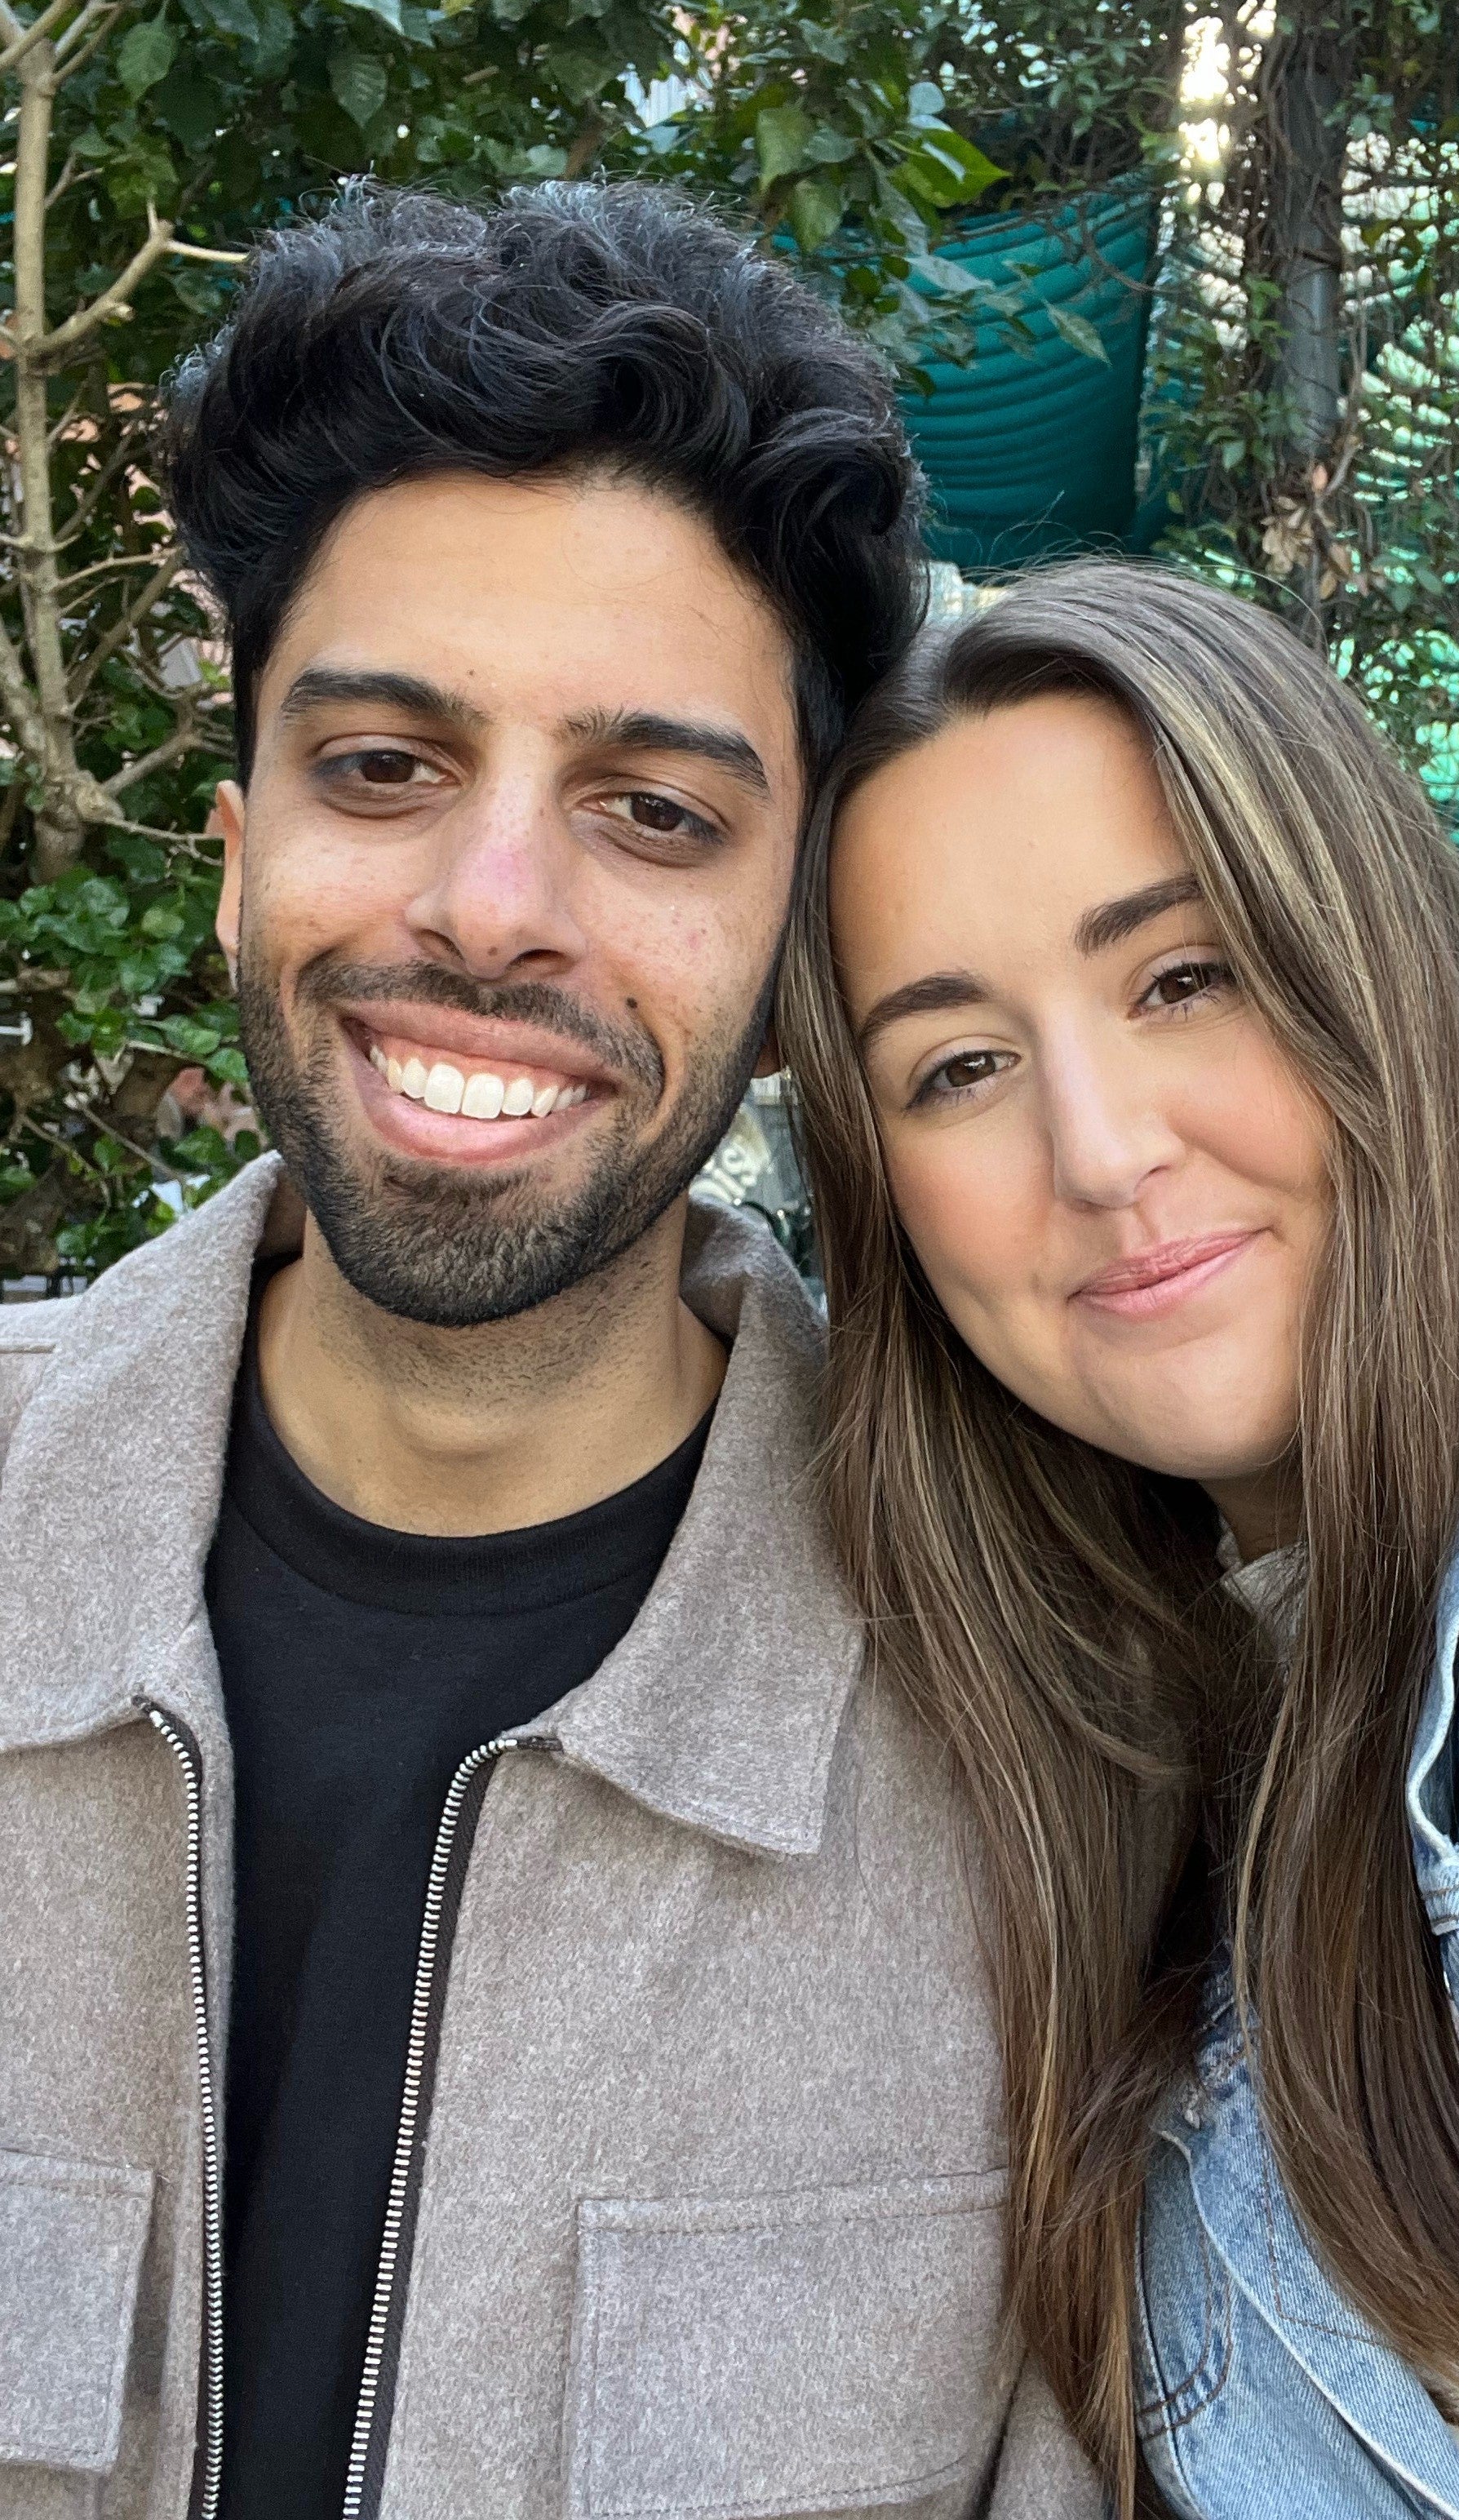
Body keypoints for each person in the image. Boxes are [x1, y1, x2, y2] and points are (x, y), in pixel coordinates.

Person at [0, 186, 1095, 2520]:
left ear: (799, 941)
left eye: (653, 811)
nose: (491, 909)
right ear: (229, 853)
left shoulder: (1072, 1750)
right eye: (382, 767)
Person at [776, 559, 1459, 2520]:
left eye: (1181, 974)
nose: (1104, 1149)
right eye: (958, 1066)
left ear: (1365, 952)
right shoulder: (1055, 1775)